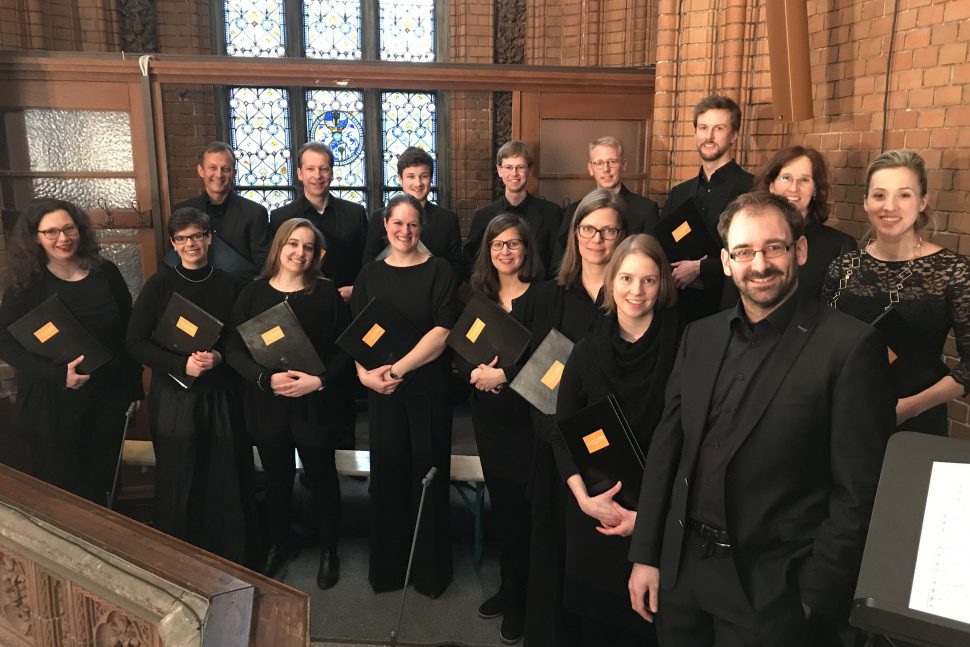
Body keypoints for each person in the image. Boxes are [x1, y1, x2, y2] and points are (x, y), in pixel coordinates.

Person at [628, 191, 896, 647]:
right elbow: (668, 449)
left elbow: (859, 491)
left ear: (800, 250)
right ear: (726, 262)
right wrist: (647, 555)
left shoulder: (849, 347)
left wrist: (812, 594)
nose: (760, 264)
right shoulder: (700, 337)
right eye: (745, 251)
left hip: (771, 587)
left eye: (774, 247)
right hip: (683, 573)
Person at [515, 188, 627, 647]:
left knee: (603, 559)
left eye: (609, 230)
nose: (598, 239)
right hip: (556, 446)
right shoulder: (548, 297)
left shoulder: (631, 295)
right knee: (554, 552)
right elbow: (531, 374)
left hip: (612, 453)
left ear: (623, 236)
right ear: (574, 233)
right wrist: (557, 433)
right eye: (588, 229)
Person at [554, 234, 678, 647]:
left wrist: (647, 520)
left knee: (643, 627)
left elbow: (689, 440)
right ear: (611, 282)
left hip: (654, 514)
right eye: (626, 278)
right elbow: (563, 430)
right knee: (595, 629)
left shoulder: (684, 348)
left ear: (662, 285)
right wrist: (585, 500)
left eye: (648, 280)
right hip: (594, 511)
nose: (636, 291)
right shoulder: (587, 350)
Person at [225, 218, 350, 589]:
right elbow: (232, 348)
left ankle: (330, 550)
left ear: (315, 254)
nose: (299, 253)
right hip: (269, 402)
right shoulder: (253, 293)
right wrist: (264, 378)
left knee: (323, 478)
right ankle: (280, 543)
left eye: (308, 247)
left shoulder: (325, 294)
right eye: (293, 244)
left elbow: (347, 346)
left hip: (314, 402)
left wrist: (321, 379)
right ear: (279, 246)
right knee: (277, 479)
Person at [126, 207, 253, 564]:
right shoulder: (159, 284)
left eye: (197, 235)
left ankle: (231, 557)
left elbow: (241, 340)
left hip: (221, 395)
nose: (190, 244)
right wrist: (181, 364)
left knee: (226, 474)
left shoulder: (230, 284)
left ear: (209, 237)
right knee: (180, 475)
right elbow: (135, 342)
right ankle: (180, 558)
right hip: (175, 397)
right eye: (182, 238)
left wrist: (220, 359)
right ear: (173, 243)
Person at [0, 198, 142, 503]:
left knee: (103, 483)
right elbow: (5, 342)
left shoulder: (106, 273)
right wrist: (56, 374)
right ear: (35, 237)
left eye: (68, 228)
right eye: (51, 232)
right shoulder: (26, 284)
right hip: (51, 402)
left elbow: (127, 333)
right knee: (61, 493)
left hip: (107, 398)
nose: (63, 239)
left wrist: (134, 389)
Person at [351, 193, 458, 598]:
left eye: (413, 224)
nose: (405, 231)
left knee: (427, 476)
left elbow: (442, 332)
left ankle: (429, 573)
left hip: (426, 391)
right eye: (398, 223)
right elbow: (357, 336)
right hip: (383, 394)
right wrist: (366, 378)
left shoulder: (439, 270)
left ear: (421, 229)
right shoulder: (369, 275)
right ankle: (390, 570)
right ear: (385, 226)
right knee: (390, 476)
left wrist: (396, 370)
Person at [822, 149, 970, 436]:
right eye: (879, 195)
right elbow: (823, 345)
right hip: (846, 415)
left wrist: (908, 408)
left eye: (904, 195)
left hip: (915, 421)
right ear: (865, 202)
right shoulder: (843, 267)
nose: (889, 206)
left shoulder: (953, 271)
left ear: (922, 201)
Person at [461, 214, 542, 644]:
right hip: (490, 420)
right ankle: (510, 588)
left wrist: (505, 376)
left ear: (526, 249)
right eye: (497, 245)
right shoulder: (478, 296)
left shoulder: (544, 296)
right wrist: (472, 373)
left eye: (513, 244)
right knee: (504, 509)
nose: (505, 251)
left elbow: (552, 360)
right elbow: (461, 352)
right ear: (487, 251)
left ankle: (526, 599)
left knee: (527, 513)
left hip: (528, 421)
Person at [270, 141, 368, 451]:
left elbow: (366, 263)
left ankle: (347, 466)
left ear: (332, 172)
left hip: (344, 310)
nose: (317, 175)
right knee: (303, 392)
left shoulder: (355, 213)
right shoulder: (281, 216)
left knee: (340, 393)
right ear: (299, 173)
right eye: (310, 169)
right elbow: (278, 264)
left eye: (324, 168)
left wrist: (354, 289)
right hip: (302, 314)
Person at [658, 95, 753, 322]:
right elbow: (661, 246)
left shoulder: (752, 189)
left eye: (718, 128)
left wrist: (702, 269)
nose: (709, 136)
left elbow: (754, 254)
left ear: (734, 135)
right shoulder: (680, 193)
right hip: (678, 308)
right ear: (695, 133)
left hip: (728, 311)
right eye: (703, 128)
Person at [756, 145, 856, 298]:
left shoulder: (840, 247)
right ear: (771, 186)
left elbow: (841, 310)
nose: (794, 188)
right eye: (785, 178)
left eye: (804, 180)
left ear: (815, 189)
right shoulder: (750, 237)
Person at [553, 136, 660, 268]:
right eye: (599, 163)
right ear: (590, 169)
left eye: (612, 162)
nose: (606, 169)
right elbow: (560, 261)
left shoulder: (646, 209)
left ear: (624, 165)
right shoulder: (574, 210)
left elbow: (653, 260)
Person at [362, 146, 466, 279]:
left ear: (431, 179)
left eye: (424, 176)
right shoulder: (379, 217)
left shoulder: (448, 219)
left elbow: (456, 268)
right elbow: (368, 264)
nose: (418, 183)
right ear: (400, 179)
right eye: (411, 176)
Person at [173, 141, 271, 279]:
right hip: (194, 292)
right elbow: (174, 258)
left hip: (239, 292)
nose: (219, 175)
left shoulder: (255, 213)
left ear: (234, 173)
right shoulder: (181, 211)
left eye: (225, 169)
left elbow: (263, 265)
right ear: (201, 171)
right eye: (212, 168)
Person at [465, 140, 562, 277]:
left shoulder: (551, 213)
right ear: (499, 171)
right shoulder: (483, 216)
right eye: (508, 167)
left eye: (520, 167)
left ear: (530, 171)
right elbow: (471, 261)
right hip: (495, 293)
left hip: (539, 292)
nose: (514, 173)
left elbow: (557, 262)